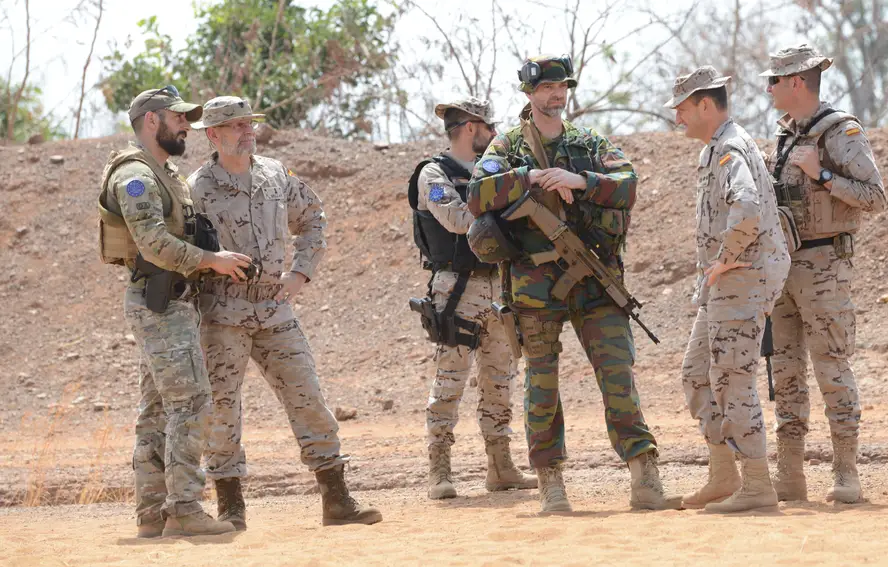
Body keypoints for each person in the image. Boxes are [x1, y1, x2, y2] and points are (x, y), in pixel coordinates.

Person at [466, 55, 675, 513]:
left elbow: (628, 185)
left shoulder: (589, 142)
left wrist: (580, 180)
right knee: (542, 382)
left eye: (562, 87)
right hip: (534, 285)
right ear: (528, 94)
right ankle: (550, 481)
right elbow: (476, 195)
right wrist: (529, 177)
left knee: (618, 375)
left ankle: (644, 474)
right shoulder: (507, 148)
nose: (556, 95)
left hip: (596, 281)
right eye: (546, 88)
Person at [187, 96, 382, 527]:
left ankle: (337, 499)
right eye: (235, 125)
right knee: (222, 409)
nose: (246, 131)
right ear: (213, 135)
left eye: (249, 123)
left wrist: (301, 274)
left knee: (308, 397)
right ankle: (231, 508)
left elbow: (313, 218)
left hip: (275, 309)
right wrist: (210, 262)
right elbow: (183, 252)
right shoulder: (196, 188)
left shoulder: (275, 174)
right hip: (222, 312)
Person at [97, 86, 251, 537]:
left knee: (158, 410)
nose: (186, 125)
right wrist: (212, 260)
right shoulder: (136, 175)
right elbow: (153, 244)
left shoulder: (165, 173)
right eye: (178, 117)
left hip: (169, 300)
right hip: (160, 303)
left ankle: (151, 515)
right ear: (151, 121)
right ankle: (183, 508)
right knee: (191, 402)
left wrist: (213, 255)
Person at [760, 44, 887, 503]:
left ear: (797, 82)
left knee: (831, 366)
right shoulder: (784, 135)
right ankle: (790, 475)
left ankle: (845, 473)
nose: (768, 88)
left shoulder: (841, 130)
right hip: (784, 269)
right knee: (785, 372)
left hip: (824, 268)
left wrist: (822, 177)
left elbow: (875, 195)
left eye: (774, 80)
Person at [665, 66, 791, 512]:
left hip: (742, 279)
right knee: (697, 373)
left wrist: (724, 258)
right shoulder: (714, 150)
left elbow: (748, 207)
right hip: (724, 284)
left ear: (704, 104)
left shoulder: (730, 148)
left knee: (732, 376)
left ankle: (757, 483)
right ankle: (724, 474)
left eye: (682, 109)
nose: (678, 118)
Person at [408, 96, 537, 500]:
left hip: (498, 286)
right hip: (456, 288)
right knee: (450, 378)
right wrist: (504, 210)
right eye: (487, 127)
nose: (494, 134)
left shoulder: (491, 171)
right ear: (469, 128)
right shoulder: (433, 173)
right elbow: (458, 220)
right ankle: (439, 470)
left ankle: (501, 466)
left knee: (500, 377)